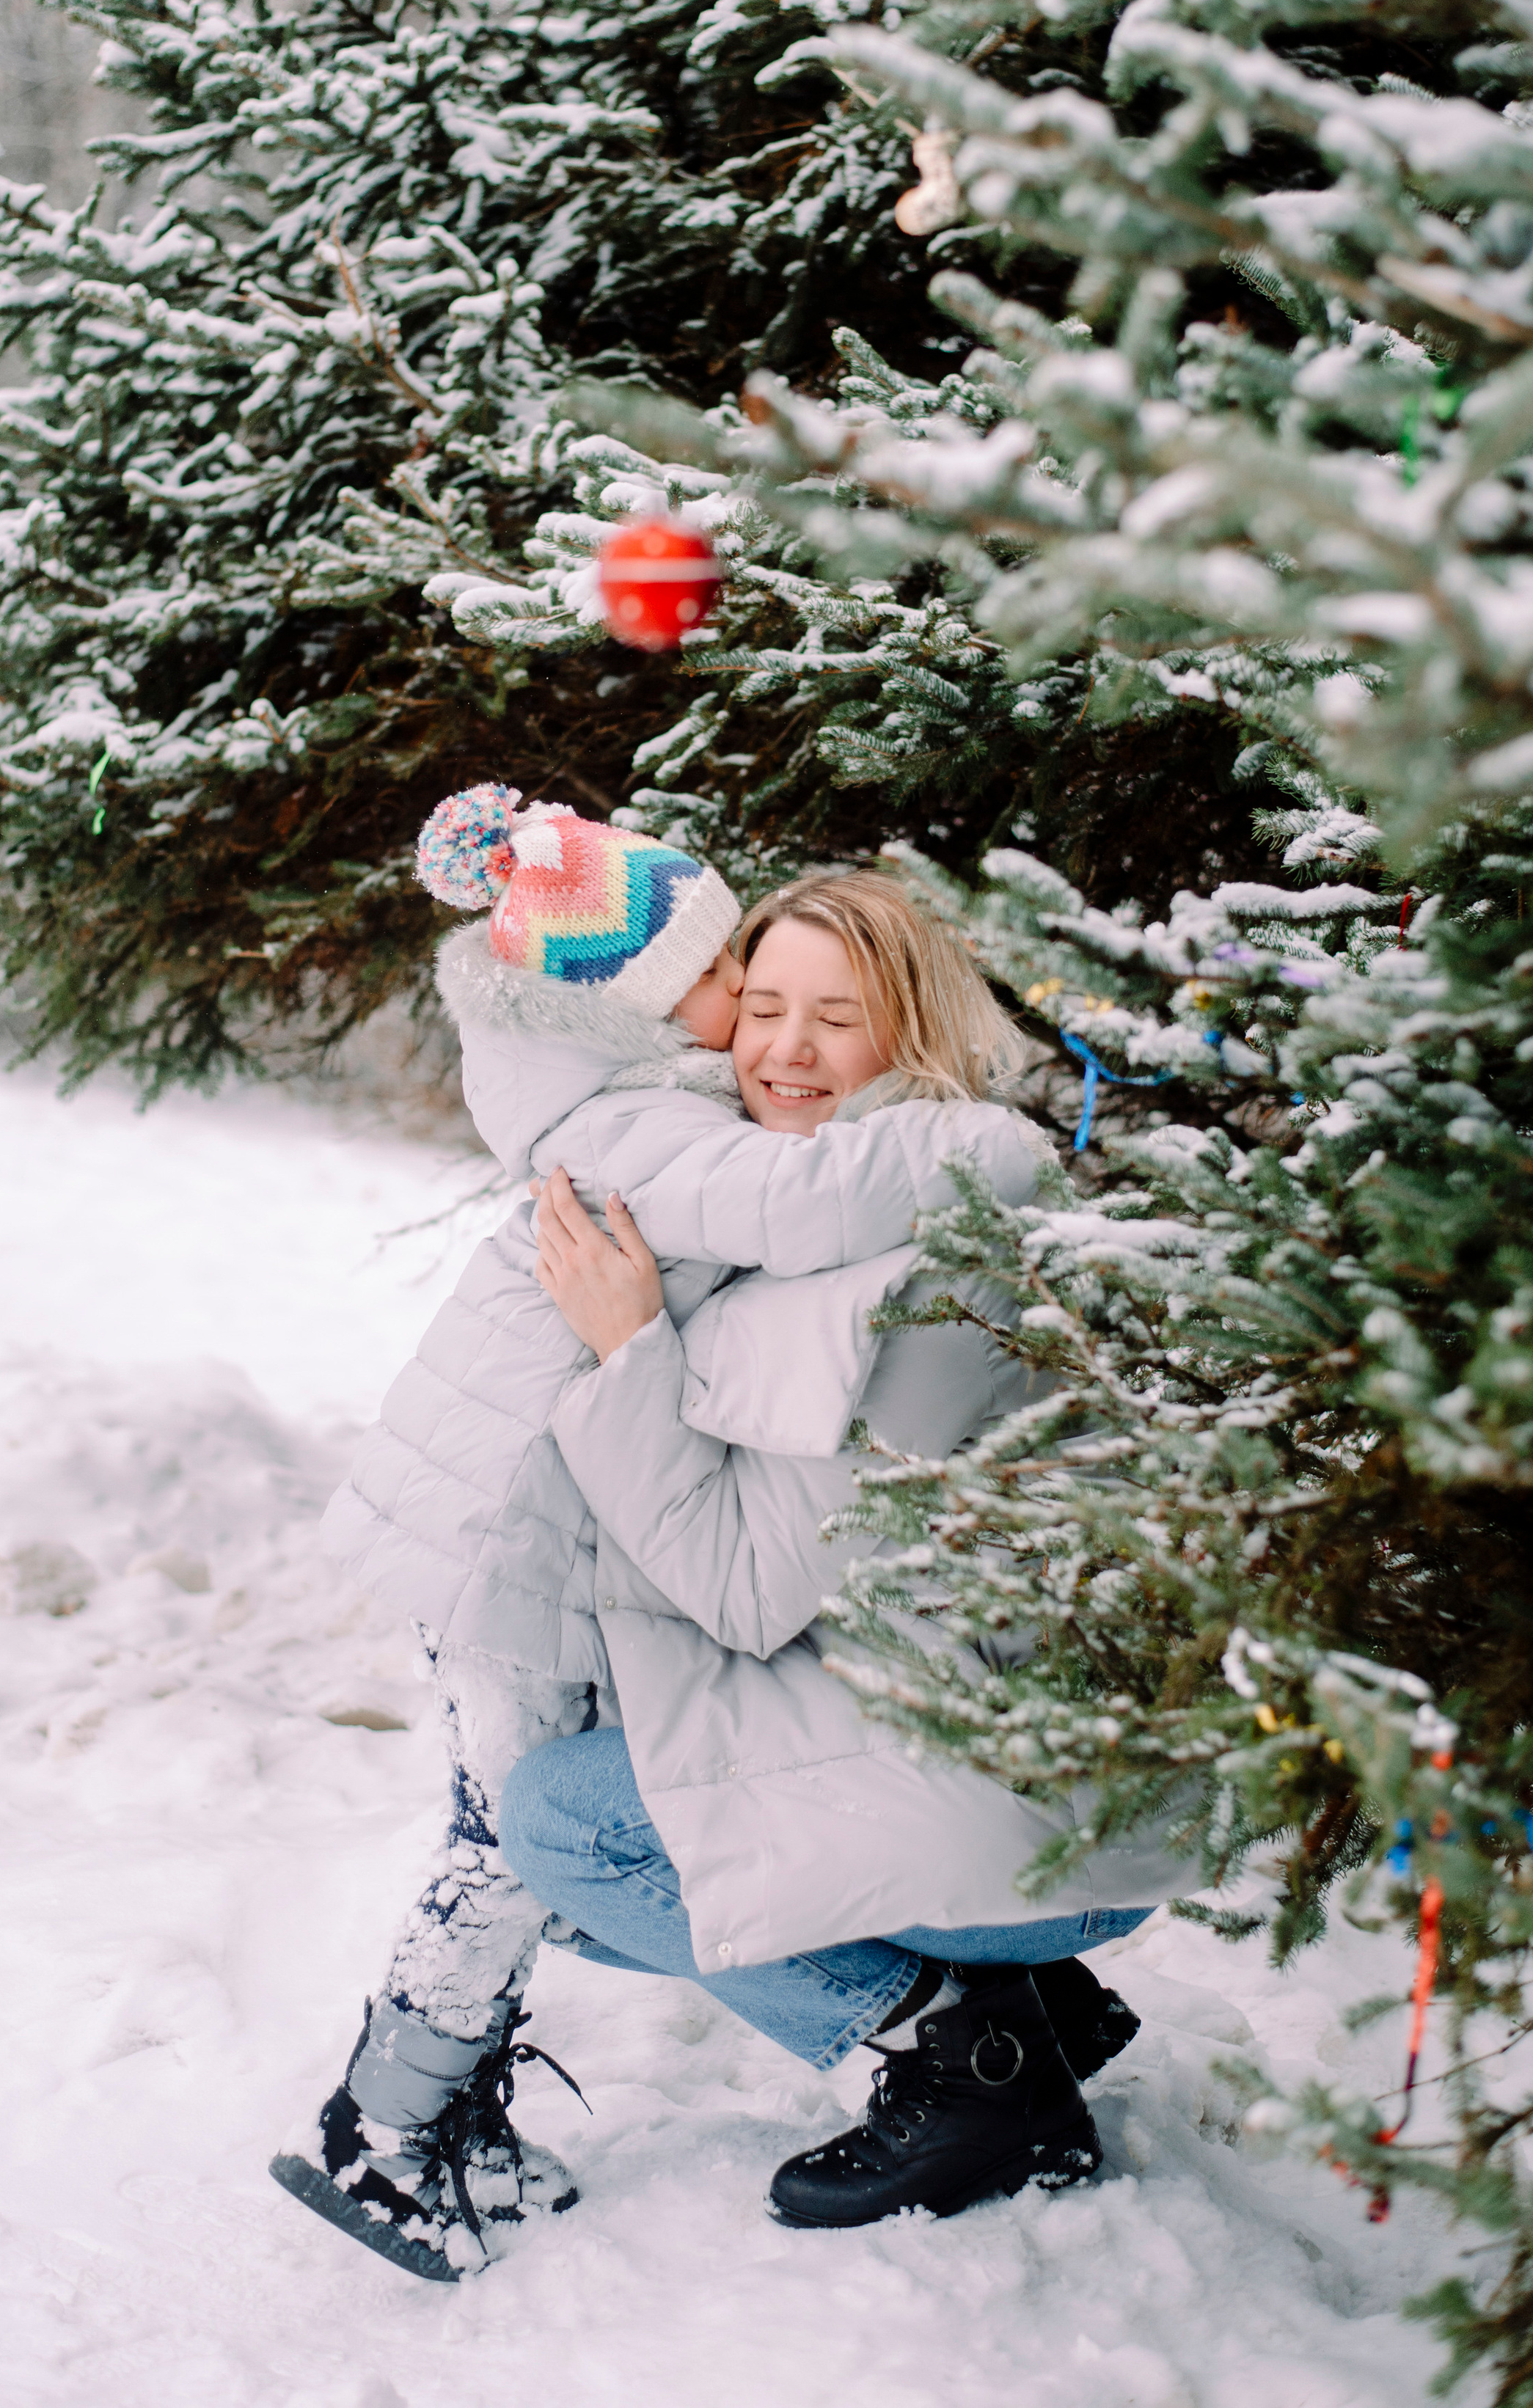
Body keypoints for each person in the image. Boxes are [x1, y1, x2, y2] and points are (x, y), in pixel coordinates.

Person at [272, 797, 1056, 2281]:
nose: (758, 1022)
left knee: (535, 1835)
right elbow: (802, 1197)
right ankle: (385, 2129)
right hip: (504, 1548)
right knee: (509, 1838)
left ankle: (435, 2109)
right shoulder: (639, 1125)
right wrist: (985, 1142)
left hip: (537, 1539)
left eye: (820, 1010)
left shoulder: (657, 1097)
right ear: (632, 1000)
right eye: (732, 986)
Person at [501, 869, 1188, 2232]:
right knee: (616, 1830)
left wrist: (630, 1351)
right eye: (762, 1007)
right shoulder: (824, 1200)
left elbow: (749, 1589)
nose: (787, 1050)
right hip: (957, 1749)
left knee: (568, 1831)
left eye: (838, 1016)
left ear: (914, 1029)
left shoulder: (934, 1260)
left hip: (1041, 1822)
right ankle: (1028, 2009)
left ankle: (974, 2063)